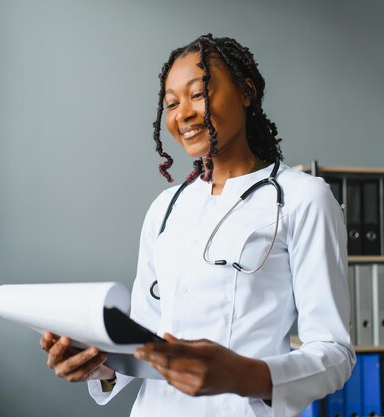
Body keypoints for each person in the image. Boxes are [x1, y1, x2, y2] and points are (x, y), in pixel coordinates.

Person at [39, 34, 355, 417]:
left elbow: (335, 353)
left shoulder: (303, 199)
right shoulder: (166, 208)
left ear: (247, 92)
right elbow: (145, 339)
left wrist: (245, 374)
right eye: (171, 103)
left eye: (198, 94)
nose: (182, 113)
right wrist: (96, 364)